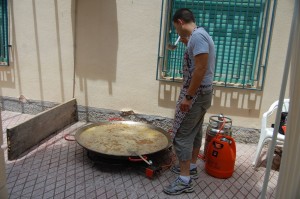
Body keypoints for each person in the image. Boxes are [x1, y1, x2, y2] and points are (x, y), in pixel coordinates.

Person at [163, 8, 215, 195]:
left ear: (180, 22)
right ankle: (191, 166)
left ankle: (185, 180)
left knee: (181, 134)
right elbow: (198, 64)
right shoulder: (198, 36)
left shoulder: (198, 37)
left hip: (197, 94)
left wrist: (188, 96)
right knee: (194, 130)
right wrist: (187, 43)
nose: (176, 32)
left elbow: (200, 69)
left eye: (175, 27)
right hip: (203, 93)